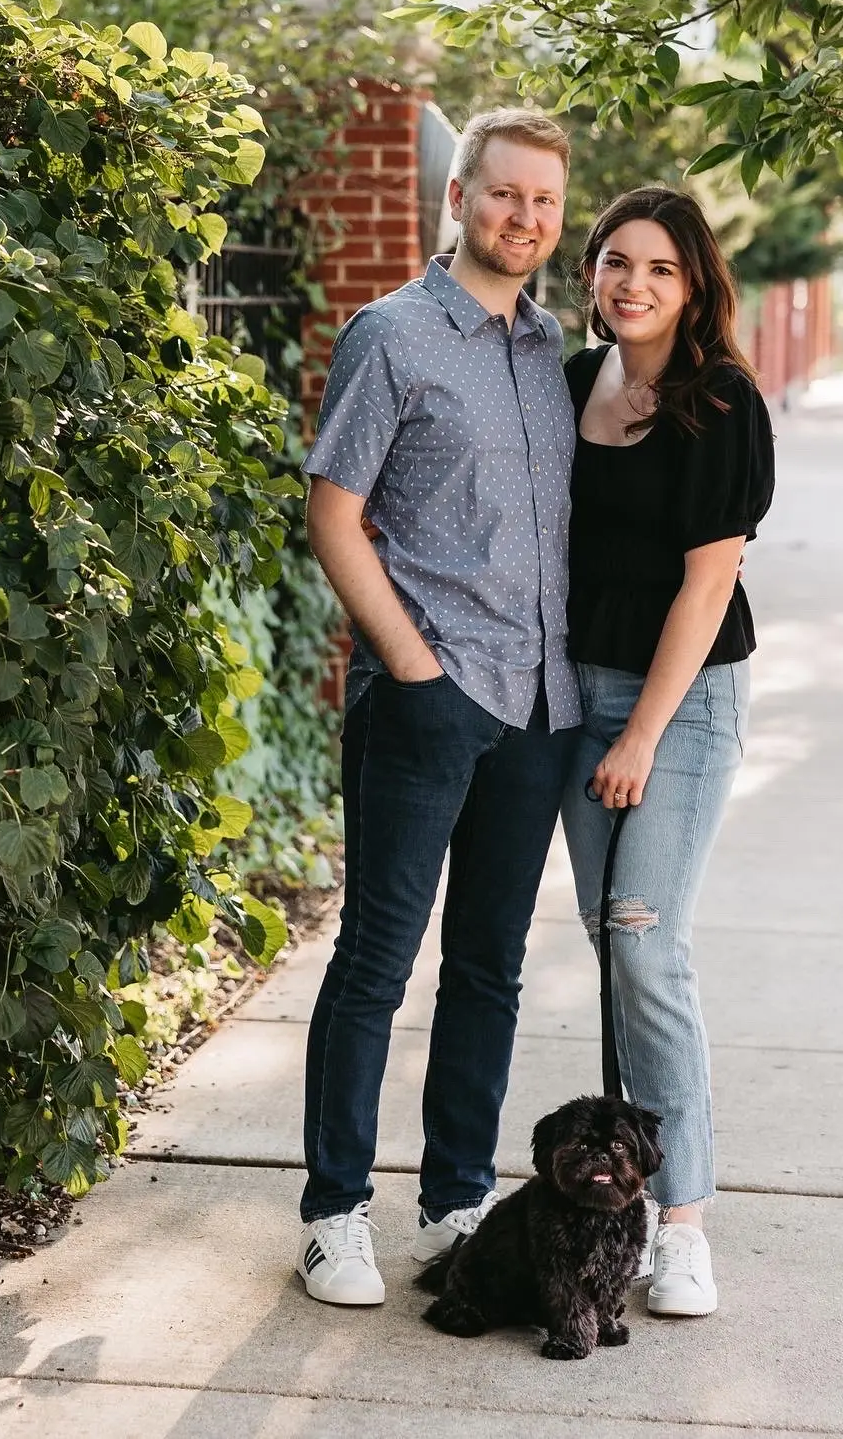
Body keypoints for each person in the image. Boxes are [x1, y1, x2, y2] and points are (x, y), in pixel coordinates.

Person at [296, 108, 580, 1306]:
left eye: (544, 203)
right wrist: (411, 661)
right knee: (377, 957)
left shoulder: (553, 346)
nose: (523, 218)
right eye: (504, 194)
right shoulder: (395, 336)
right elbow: (332, 511)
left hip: (537, 706)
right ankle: (333, 1214)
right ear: (458, 195)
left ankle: (456, 1199)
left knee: (489, 966)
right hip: (429, 697)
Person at [560, 185, 775, 1319]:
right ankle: (624, 1199)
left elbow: (709, 583)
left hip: (679, 705)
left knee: (646, 945)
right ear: (590, 273)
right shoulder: (566, 384)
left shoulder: (722, 401)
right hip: (576, 690)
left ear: (694, 286)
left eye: (659, 268)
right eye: (616, 262)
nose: (633, 283)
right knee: (609, 941)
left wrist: (641, 732)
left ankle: (682, 1221)